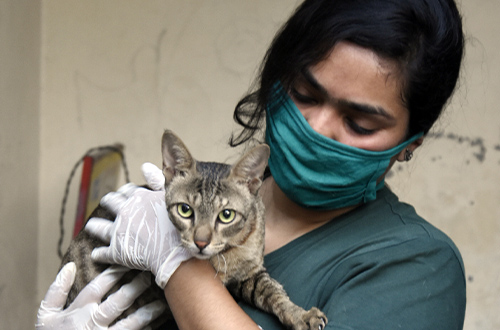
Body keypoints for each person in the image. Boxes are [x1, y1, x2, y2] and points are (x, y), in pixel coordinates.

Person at [37, 0, 466, 329]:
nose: (315, 127)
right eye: (304, 94)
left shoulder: (419, 265)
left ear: (410, 143)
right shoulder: (208, 197)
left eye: (358, 122)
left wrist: (176, 263)